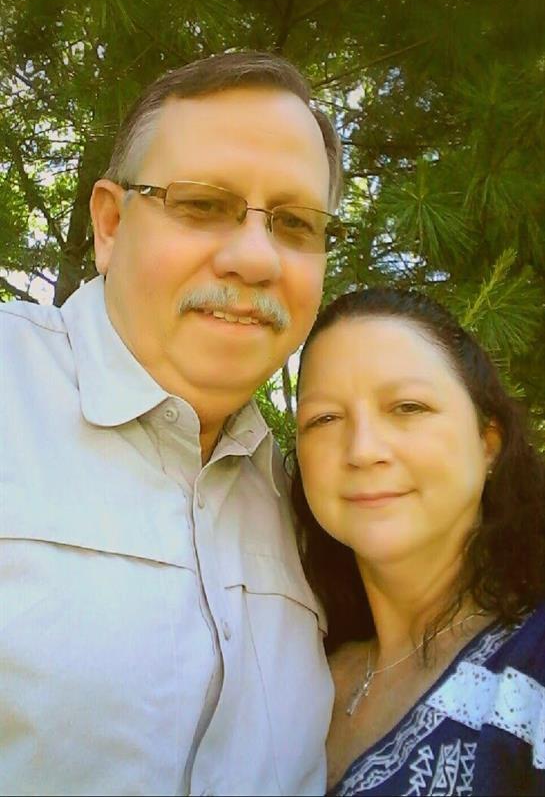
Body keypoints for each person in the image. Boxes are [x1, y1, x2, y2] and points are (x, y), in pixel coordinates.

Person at [0, 51, 345, 796]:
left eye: (295, 223)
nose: (255, 258)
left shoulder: (317, 504)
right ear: (110, 224)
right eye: (202, 204)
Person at [292, 288, 545, 796]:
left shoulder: (533, 663)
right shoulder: (290, 668)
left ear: (488, 442)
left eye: (408, 407)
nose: (363, 450)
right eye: (324, 419)